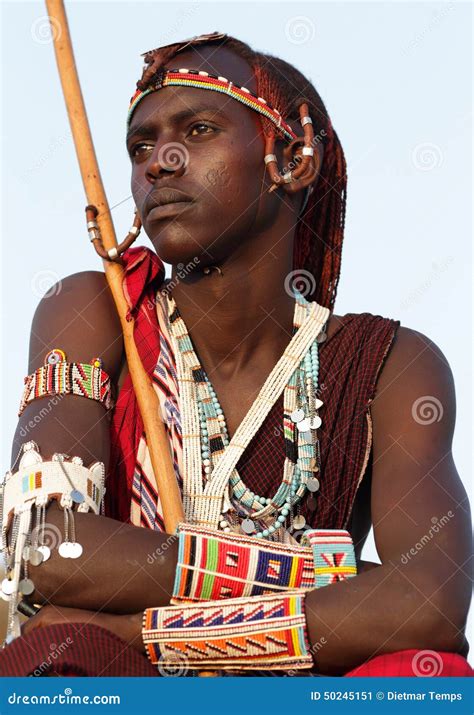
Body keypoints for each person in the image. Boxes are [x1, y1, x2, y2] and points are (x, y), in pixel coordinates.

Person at [0, 32, 471, 677]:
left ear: (293, 162)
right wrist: (332, 576)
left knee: (425, 674)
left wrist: (147, 631)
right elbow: (43, 545)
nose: (158, 162)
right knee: (60, 660)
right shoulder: (94, 313)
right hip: (117, 684)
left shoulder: (390, 366)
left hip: (295, 688)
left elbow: (431, 606)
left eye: (197, 130)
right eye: (140, 146)